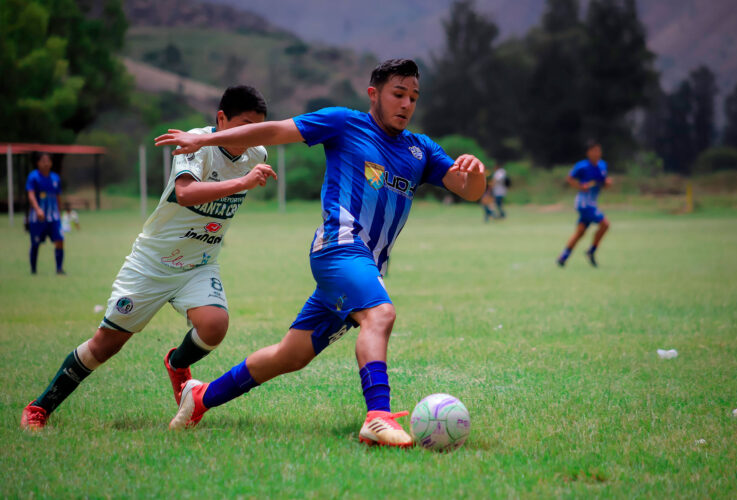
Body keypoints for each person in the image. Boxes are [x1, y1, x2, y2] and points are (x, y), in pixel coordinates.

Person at [154, 59, 486, 447]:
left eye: (413, 96)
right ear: (374, 94)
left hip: (362, 265)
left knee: (290, 355)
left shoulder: (421, 149)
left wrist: (476, 173)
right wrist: (205, 140)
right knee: (380, 314)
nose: (407, 104)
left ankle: (200, 397)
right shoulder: (344, 123)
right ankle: (378, 416)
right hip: (339, 249)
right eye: (398, 94)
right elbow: (277, 130)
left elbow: (470, 191)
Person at [20, 86, 277, 430]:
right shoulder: (195, 144)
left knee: (215, 326)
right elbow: (184, 194)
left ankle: (177, 363)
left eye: (256, 128)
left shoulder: (256, 152)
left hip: (199, 263)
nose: (250, 135)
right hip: (152, 263)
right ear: (221, 119)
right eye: (244, 125)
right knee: (105, 346)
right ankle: (39, 407)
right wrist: (241, 183)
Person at [557, 140, 612, 267]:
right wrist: (580, 186)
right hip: (584, 203)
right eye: (594, 151)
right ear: (588, 152)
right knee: (605, 224)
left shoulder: (603, 166)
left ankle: (563, 257)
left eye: (599, 150)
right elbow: (569, 179)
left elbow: (603, 183)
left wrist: (607, 184)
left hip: (592, 203)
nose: (597, 153)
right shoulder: (581, 166)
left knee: (580, 231)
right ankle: (591, 251)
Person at [26, 152, 65, 274]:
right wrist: (37, 209)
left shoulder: (55, 178)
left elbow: (58, 197)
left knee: (59, 240)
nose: (46, 163)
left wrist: (59, 212)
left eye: (48, 161)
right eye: (43, 161)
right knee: (36, 243)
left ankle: (59, 269)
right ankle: (33, 270)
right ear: (38, 163)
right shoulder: (33, 177)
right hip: (38, 218)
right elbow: (31, 195)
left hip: (54, 217)